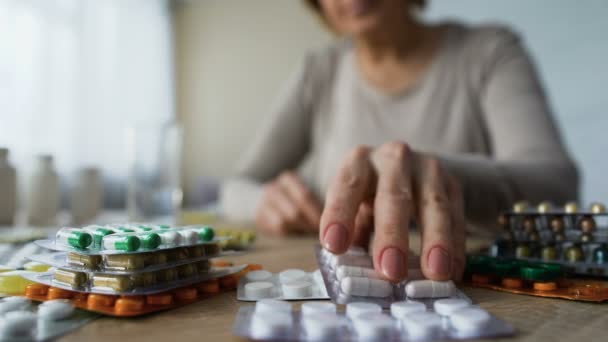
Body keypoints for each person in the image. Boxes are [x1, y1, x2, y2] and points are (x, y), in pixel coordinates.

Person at [220, 0, 578, 283]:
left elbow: (557, 186)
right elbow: (234, 187)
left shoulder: (489, 51)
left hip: (473, 282)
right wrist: (266, 203)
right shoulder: (319, 70)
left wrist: (443, 178)